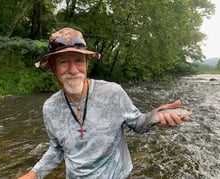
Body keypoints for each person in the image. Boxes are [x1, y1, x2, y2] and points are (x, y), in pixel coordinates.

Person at [18, 27, 189, 179]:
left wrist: (156, 117)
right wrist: (34, 173)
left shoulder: (112, 93)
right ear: (53, 68)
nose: (72, 70)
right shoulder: (50, 107)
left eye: (78, 60)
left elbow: (138, 124)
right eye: (63, 62)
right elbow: (57, 149)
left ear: (86, 64)